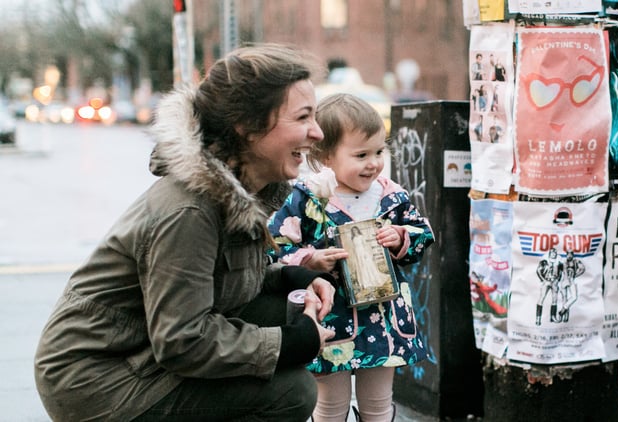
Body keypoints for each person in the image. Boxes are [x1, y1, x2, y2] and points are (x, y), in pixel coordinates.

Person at [34, 44, 338, 421]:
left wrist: (290, 278)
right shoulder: (190, 212)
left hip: (139, 357)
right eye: (303, 117)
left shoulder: (239, 190)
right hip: (96, 382)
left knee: (280, 310)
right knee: (290, 392)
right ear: (247, 127)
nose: (318, 131)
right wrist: (290, 344)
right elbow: (183, 340)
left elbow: (220, 286)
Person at [267, 93, 434, 422]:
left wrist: (401, 237)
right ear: (325, 156)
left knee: (378, 404)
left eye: (378, 152)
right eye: (361, 154)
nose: (373, 163)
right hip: (331, 319)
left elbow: (422, 233)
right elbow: (276, 244)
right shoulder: (307, 198)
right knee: (330, 406)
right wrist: (309, 261)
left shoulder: (390, 195)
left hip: (384, 320)